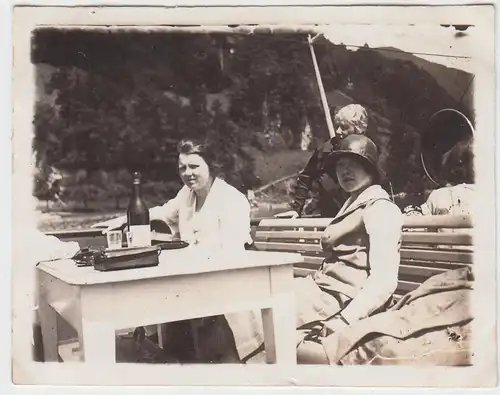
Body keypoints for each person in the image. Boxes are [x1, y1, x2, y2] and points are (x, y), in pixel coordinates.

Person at [230, 135, 403, 364]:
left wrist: (345, 319)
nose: (345, 171)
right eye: (340, 165)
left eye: (353, 163)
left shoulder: (380, 209)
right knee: (247, 301)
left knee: (257, 312)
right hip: (322, 289)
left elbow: (384, 282)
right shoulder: (354, 203)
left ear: (369, 167)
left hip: (342, 299)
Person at [93, 137, 253, 363]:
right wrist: (120, 220)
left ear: (211, 165)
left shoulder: (231, 200)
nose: (187, 173)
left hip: (226, 285)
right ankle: (172, 359)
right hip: (192, 281)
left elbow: (231, 255)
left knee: (169, 300)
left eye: (194, 166)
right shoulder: (187, 195)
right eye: (182, 168)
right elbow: (162, 212)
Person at [274, 104, 369, 219]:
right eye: (337, 126)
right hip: (329, 218)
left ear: (358, 129)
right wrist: (296, 209)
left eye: (344, 127)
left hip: (359, 218)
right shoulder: (325, 150)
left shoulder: (368, 151)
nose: (338, 131)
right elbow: (306, 177)